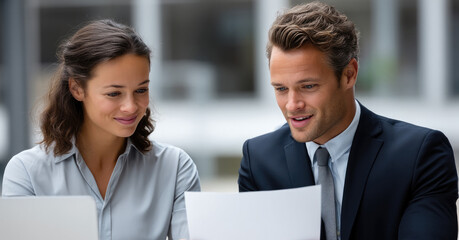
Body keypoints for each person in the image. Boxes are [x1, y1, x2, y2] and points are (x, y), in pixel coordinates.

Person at [238, 2, 458, 240]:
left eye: (308, 86)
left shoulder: (419, 156)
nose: (292, 104)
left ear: (349, 74)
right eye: (281, 88)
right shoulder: (258, 160)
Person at [2, 19, 200, 240]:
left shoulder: (175, 168)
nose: (131, 106)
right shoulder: (27, 173)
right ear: (77, 89)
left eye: (141, 90)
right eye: (114, 93)